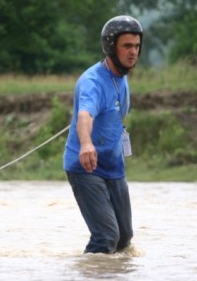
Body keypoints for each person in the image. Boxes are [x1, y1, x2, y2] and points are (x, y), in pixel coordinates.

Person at [63, 15, 143, 254]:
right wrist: (86, 143)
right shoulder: (92, 82)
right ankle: (91, 270)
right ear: (111, 47)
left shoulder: (122, 77)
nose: (133, 52)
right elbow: (85, 115)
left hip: (113, 166)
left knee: (124, 237)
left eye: (137, 46)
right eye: (127, 46)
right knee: (106, 236)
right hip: (86, 166)